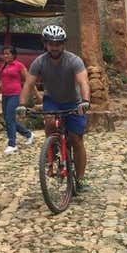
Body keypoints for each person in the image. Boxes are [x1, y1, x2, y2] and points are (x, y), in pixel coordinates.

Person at [17, 25, 91, 192]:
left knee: (76, 139)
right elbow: (28, 84)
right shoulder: (39, 62)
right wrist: (21, 105)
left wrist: (85, 101)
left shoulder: (74, 60)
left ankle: (80, 179)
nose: (55, 47)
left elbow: (83, 82)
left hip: (74, 101)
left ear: (63, 44)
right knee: (50, 123)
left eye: (58, 43)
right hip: (52, 100)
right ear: (45, 44)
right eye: (51, 43)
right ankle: (53, 149)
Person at [0, 46, 33, 155]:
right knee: (8, 119)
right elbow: (3, 78)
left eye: (8, 54)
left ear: (13, 55)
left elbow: (28, 79)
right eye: (4, 54)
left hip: (15, 94)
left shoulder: (19, 65)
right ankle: (28, 134)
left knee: (9, 118)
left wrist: (34, 93)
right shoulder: (4, 65)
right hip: (5, 95)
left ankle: (12, 144)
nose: (5, 56)